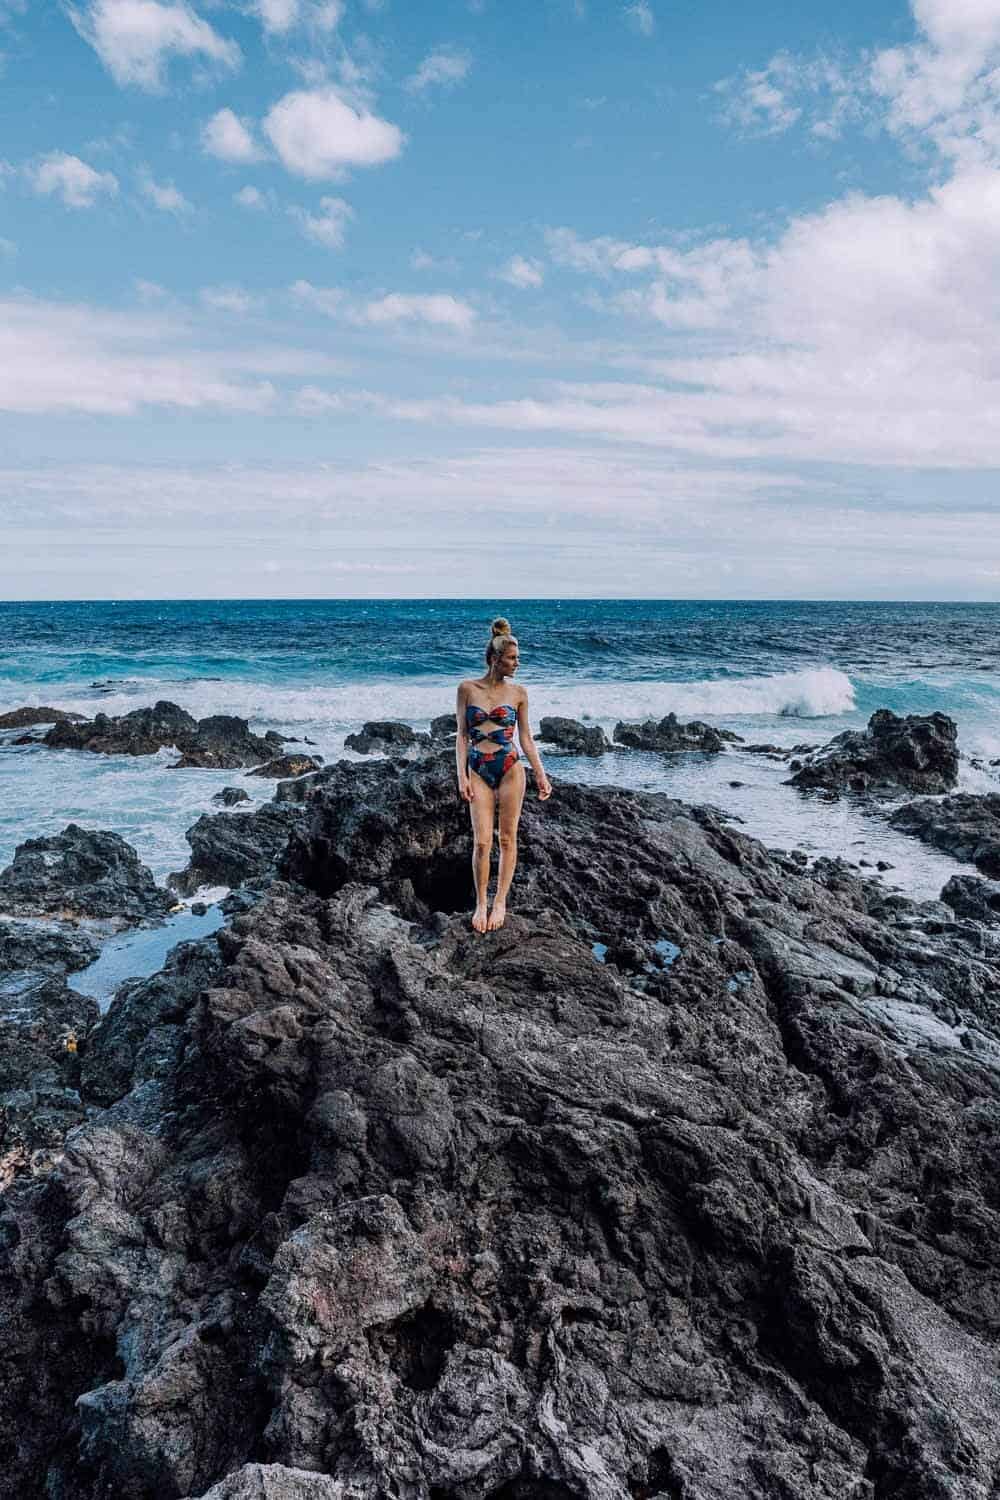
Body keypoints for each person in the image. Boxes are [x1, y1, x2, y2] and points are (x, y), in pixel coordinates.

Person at [456, 616, 552, 932]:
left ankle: (500, 902)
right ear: (495, 659)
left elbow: (525, 737)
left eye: (518, 658)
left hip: (510, 768)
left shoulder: (519, 693)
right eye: (512, 658)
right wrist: (462, 776)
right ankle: (481, 904)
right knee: (482, 842)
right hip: (478, 770)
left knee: (508, 839)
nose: (517, 663)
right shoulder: (467, 689)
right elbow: (462, 735)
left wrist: (540, 774)